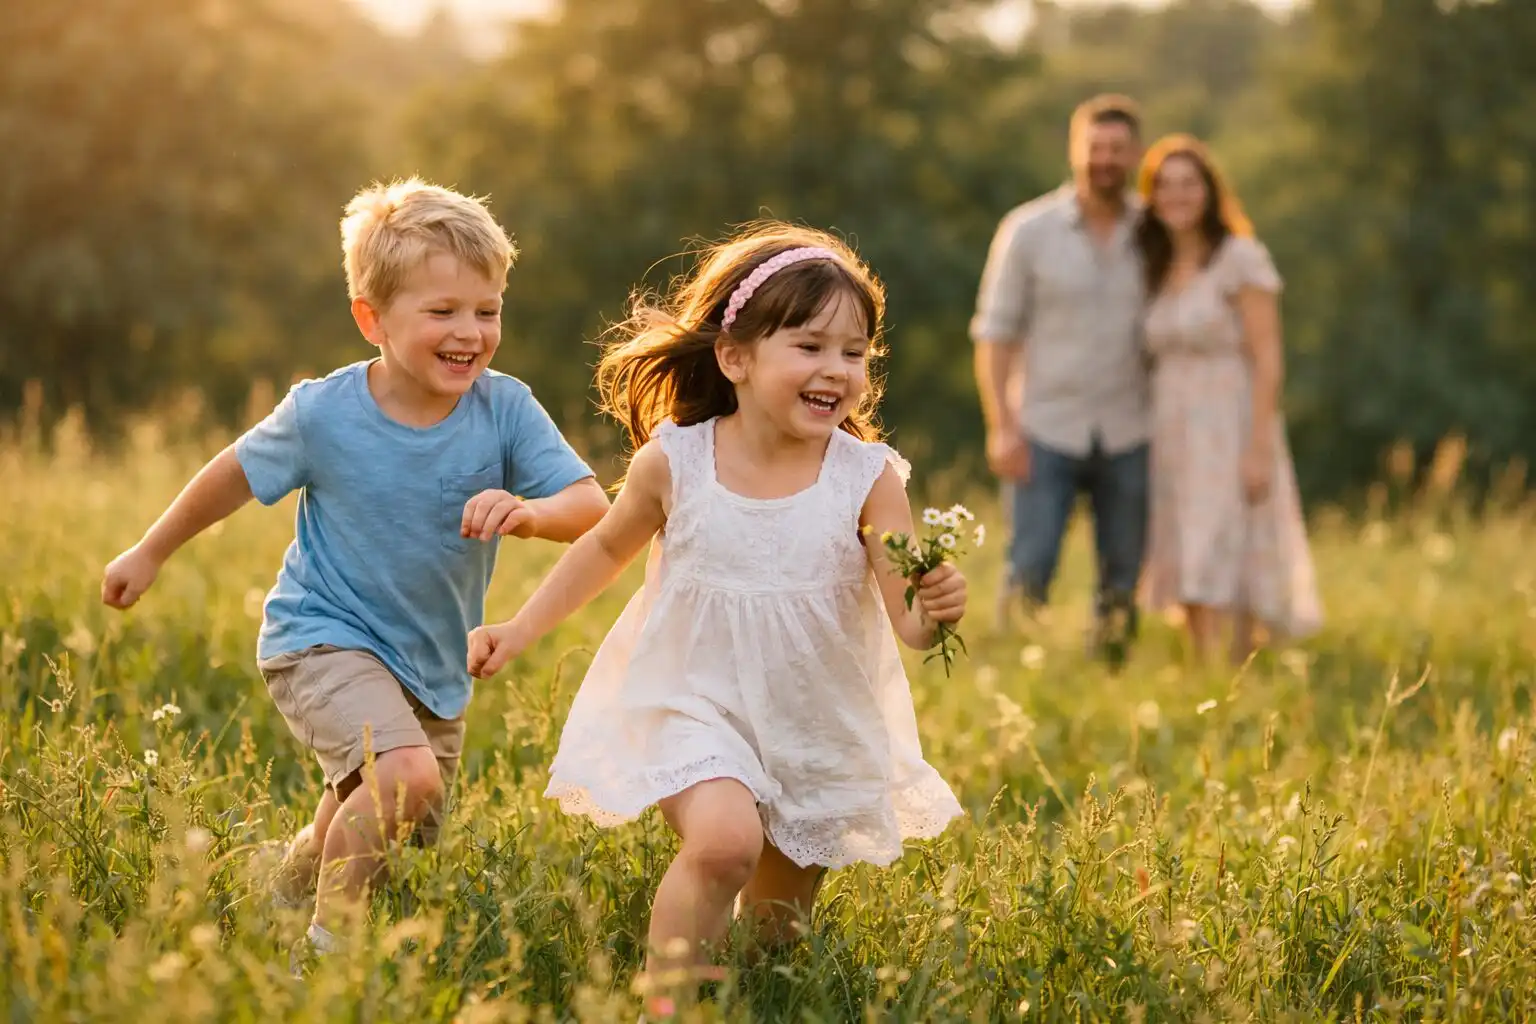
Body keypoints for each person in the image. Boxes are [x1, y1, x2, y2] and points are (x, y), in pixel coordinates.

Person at [99, 178, 609, 959]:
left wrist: (532, 513)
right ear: (372, 318)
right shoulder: (324, 413)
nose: (470, 331)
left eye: (488, 309)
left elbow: (590, 506)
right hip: (321, 635)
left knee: (392, 819)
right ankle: (326, 957)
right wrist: (151, 549)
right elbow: (232, 474)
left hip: (433, 662)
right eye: (442, 311)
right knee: (405, 777)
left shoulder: (504, 409)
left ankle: (286, 883)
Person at [466, 223, 968, 1016]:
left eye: (854, 353)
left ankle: (742, 992)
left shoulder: (866, 479)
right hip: (692, 698)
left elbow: (909, 621)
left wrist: (935, 606)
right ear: (735, 358)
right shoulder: (678, 461)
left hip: (814, 717)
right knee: (724, 843)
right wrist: (517, 630)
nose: (836, 370)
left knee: (774, 934)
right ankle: (667, 1007)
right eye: (809, 346)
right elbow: (602, 551)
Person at [970, 94, 1150, 664]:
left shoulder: (1156, 232)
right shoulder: (1028, 231)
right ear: (1076, 151)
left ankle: (1112, 674)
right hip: (1044, 427)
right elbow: (994, 334)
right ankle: (1013, 672)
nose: (1106, 160)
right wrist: (1002, 426)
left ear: (1135, 155)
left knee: (1123, 572)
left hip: (1132, 429)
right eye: (1095, 148)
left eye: (1118, 150)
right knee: (1031, 562)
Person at [1133, 134, 1322, 663]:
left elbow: (1268, 357)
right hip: (1170, 421)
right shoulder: (1154, 263)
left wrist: (1259, 443)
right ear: (1150, 196)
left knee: (1227, 532)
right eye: (1164, 186)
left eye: (1188, 184)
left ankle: (1239, 665)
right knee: (1184, 532)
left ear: (1210, 191)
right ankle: (1202, 667)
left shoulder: (1240, 257)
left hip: (1230, 416)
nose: (1177, 196)